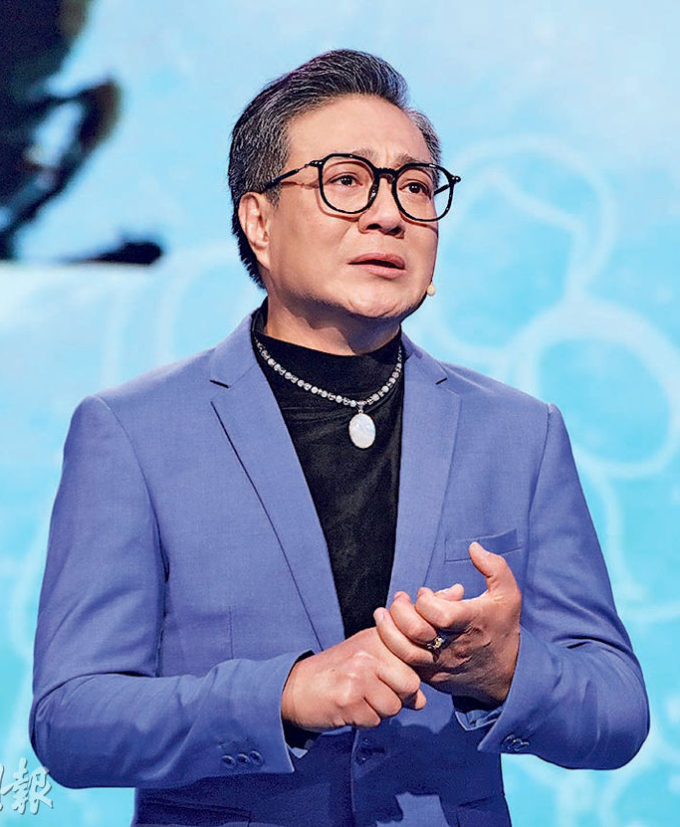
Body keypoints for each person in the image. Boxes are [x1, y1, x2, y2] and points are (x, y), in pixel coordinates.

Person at [30, 49, 649, 827]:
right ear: (259, 221)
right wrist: (286, 694)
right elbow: (71, 722)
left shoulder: (521, 433)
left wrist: (506, 670)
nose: (389, 214)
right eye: (346, 180)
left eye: (415, 186)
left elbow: (618, 710)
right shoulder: (132, 431)